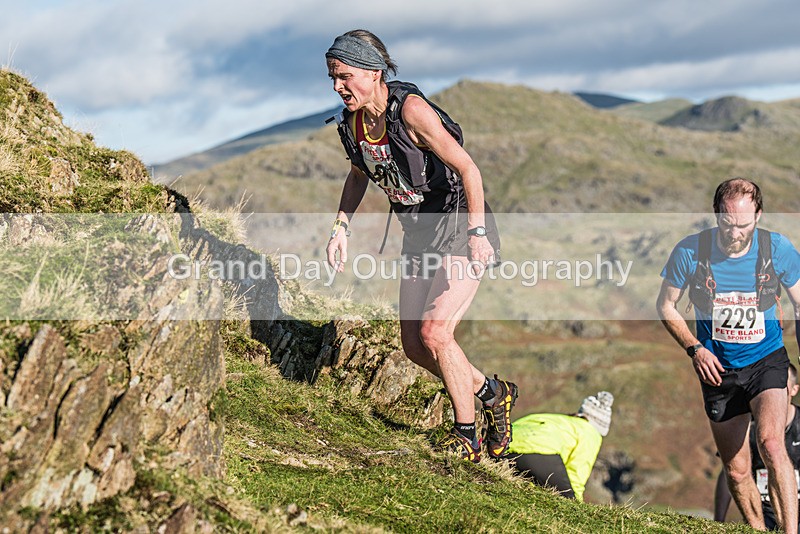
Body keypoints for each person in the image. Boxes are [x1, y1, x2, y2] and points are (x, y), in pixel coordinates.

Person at [324, 30, 517, 462]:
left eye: (344, 76)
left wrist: (477, 234)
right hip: (419, 235)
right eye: (332, 78)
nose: (337, 86)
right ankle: (492, 393)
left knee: (436, 332)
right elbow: (358, 176)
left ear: (374, 73)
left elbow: (470, 169)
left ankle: (466, 437)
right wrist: (341, 227)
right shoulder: (353, 125)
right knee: (414, 345)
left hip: (459, 224)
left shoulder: (411, 111)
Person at [656, 178, 800, 533]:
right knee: (736, 469)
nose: (735, 233)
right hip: (718, 369)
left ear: (759, 215)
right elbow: (666, 306)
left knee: (770, 443)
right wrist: (695, 349)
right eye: (727, 224)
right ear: (716, 215)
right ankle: (758, 529)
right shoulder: (690, 251)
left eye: (745, 225)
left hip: (767, 359)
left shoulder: (777, 248)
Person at [715, 363, 800, 529]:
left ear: (794, 389)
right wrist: (719, 520)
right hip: (763, 515)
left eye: (784, 385)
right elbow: (729, 472)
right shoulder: (749, 427)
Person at [503, 391, 613, 502]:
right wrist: (577, 503)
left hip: (505, 447)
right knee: (569, 501)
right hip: (539, 454)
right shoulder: (591, 433)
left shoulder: (559, 420)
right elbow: (576, 473)